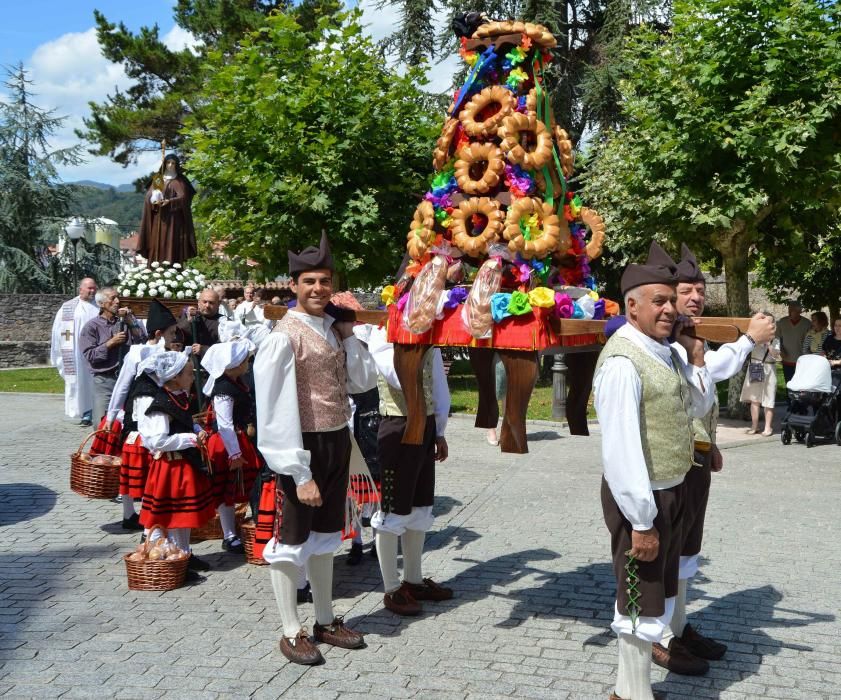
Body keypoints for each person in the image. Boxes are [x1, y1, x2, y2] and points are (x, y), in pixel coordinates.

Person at [594, 242, 715, 700]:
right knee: (636, 601)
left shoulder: (665, 350)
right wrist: (642, 520)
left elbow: (697, 405)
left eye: (671, 301)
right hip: (642, 499)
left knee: (654, 599)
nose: (669, 310)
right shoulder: (624, 360)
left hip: (672, 487)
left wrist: (696, 358)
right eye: (659, 302)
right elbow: (621, 450)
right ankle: (630, 693)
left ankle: (634, 690)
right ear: (632, 306)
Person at [253, 231, 377, 665]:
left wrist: (348, 334)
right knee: (290, 540)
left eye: (324, 281)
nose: (318, 289)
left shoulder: (332, 330)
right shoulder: (283, 337)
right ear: (294, 286)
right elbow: (274, 411)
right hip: (300, 446)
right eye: (309, 282)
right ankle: (291, 629)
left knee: (326, 537)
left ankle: (325, 619)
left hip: (336, 441)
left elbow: (362, 383)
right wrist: (297, 472)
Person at [655, 244, 776, 676]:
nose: (694, 297)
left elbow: (700, 399)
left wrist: (713, 442)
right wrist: (747, 341)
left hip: (696, 455)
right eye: (686, 289)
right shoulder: (662, 339)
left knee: (688, 547)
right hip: (669, 462)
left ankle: (680, 626)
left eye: (699, 289)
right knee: (667, 552)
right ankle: (662, 638)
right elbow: (706, 377)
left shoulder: (692, 332)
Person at [366, 325, 452, 616]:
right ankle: (392, 589)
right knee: (393, 511)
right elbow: (396, 375)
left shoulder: (431, 333)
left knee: (420, 505)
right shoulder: (381, 332)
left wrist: (439, 430)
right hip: (397, 424)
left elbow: (438, 384)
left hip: (425, 424)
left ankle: (413, 580)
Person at [104, 299, 183, 531]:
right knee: (137, 463)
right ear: (159, 333)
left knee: (150, 465)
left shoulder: (171, 352)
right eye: (171, 332)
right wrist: (111, 417)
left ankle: (146, 516)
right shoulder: (138, 353)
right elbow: (122, 385)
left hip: (160, 413)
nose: (175, 336)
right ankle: (131, 514)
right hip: (138, 415)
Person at [136, 350, 216, 577]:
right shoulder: (161, 404)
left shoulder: (179, 397)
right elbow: (157, 440)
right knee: (171, 516)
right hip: (170, 467)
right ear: (174, 376)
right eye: (189, 373)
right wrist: (190, 439)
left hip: (183, 465)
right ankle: (169, 556)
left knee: (184, 515)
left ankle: (184, 553)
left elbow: (187, 423)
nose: (193, 377)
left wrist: (198, 431)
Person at [201, 339, 261, 554]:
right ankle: (229, 535)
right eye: (246, 360)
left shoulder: (236, 381)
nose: (248, 363)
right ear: (235, 364)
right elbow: (224, 423)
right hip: (227, 443)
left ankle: (236, 531)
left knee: (234, 488)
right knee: (226, 489)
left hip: (237, 439)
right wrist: (234, 453)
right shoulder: (224, 388)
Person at [79, 288, 147, 426]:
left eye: (118, 298)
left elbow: (143, 341)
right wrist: (110, 343)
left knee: (130, 421)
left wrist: (130, 322)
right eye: (112, 298)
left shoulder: (124, 322)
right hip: (105, 381)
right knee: (102, 423)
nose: (117, 301)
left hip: (128, 379)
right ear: (101, 303)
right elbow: (90, 355)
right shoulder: (92, 327)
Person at [50, 278, 99, 425]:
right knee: (80, 381)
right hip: (75, 352)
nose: (92, 291)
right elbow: (57, 330)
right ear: (81, 289)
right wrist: (58, 349)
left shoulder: (100, 306)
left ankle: (94, 412)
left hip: (96, 351)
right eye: (89, 288)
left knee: (95, 381)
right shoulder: (68, 307)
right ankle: (84, 412)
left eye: (94, 288)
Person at [137, 153, 197, 265]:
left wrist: (170, 201)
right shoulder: (159, 179)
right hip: (158, 218)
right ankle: (155, 267)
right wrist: (154, 197)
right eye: (168, 162)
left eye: (173, 163)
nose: (170, 165)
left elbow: (184, 197)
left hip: (174, 220)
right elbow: (149, 196)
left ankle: (172, 270)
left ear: (176, 165)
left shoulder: (180, 180)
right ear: (164, 164)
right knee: (156, 242)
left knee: (172, 243)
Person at [740, 326, 781, 436]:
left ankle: (768, 427)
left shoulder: (775, 340)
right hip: (755, 367)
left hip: (769, 369)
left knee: (769, 398)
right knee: (754, 399)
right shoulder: (754, 339)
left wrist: (769, 344)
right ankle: (754, 426)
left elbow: (776, 355)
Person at [178, 288, 223, 359]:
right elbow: (175, 336)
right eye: (204, 302)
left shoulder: (224, 322)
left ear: (218, 304)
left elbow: (225, 349)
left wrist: (204, 350)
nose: (207, 305)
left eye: (211, 303)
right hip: (188, 364)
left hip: (210, 366)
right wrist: (188, 321)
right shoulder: (189, 316)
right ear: (198, 302)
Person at [775, 300, 810, 386]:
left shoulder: (807, 323)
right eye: (789, 310)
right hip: (787, 360)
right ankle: (789, 400)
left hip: (802, 361)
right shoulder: (782, 322)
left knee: (802, 386)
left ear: (799, 311)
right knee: (789, 384)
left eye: (793, 310)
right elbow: (777, 339)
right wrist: (781, 350)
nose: (790, 312)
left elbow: (810, 342)